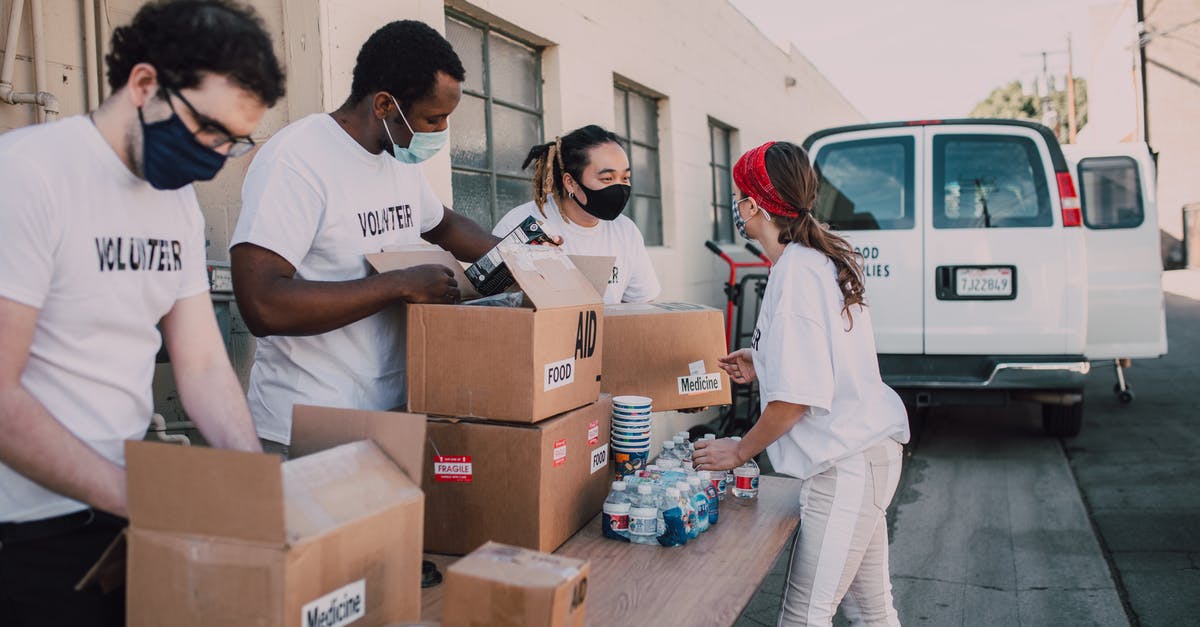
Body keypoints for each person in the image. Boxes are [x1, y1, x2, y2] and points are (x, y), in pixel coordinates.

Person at [0, 1, 284, 623]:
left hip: (125, 517)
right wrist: (142, 497)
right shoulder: (28, 176)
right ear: (145, 84)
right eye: (208, 129)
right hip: (26, 532)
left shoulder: (175, 204)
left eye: (234, 143)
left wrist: (253, 484)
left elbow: (205, 363)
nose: (214, 155)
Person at [230, 20, 500, 457]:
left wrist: (519, 260)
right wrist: (399, 284)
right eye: (434, 118)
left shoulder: (397, 157)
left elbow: (444, 225)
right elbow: (262, 304)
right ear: (383, 105)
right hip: (309, 421)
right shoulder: (297, 161)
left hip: (387, 412)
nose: (440, 133)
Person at [691, 141, 910, 626]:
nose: (736, 207)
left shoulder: (797, 274)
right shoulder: (811, 259)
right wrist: (763, 360)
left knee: (805, 617)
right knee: (870, 610)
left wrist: (738, 450)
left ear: (754, 205)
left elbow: (795, 401)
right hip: (864, 455)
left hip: (847, 465)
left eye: (738, 196)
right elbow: (823, 358)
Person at [492, 125, 660, 304]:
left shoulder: (626, 231)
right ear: (570, 182)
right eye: (607, 179)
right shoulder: (522, 222)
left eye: (625, 178)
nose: (619, 187)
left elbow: (641, 305)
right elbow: (491, 300)